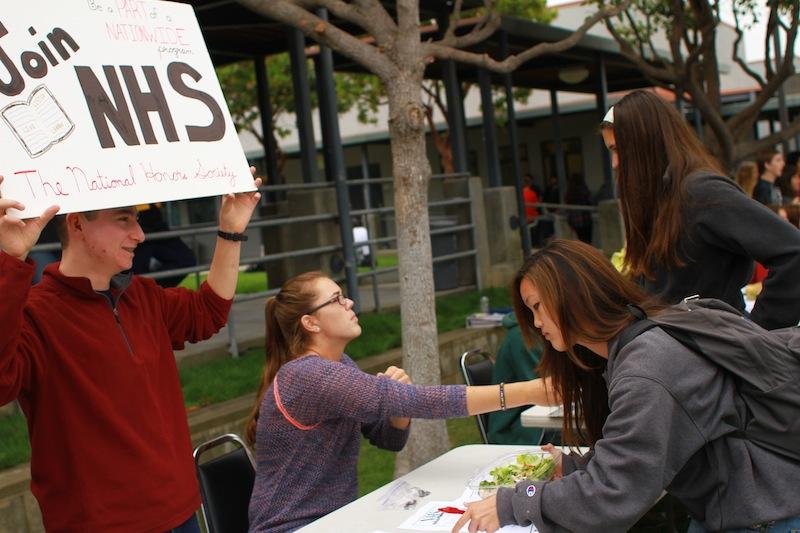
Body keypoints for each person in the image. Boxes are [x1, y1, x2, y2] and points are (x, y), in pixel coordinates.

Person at [453, 239, 800, 533]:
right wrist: (577, 468)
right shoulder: (645, 337)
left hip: (767, 518)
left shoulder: (646, 368)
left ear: (573, 294)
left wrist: (515, 502)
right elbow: (632, 457)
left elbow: (615, 494)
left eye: (538, 307)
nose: (537, 323)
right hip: (758, 505)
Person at [0, 173, 262, 532]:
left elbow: (209, 311)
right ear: (77, 224)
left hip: (180, 509)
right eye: (124, 219)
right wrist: (11, 260)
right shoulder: (35, 314)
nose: (140, 234)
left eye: (136, 219)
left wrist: (231, 228)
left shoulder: (143, 295)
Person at [245, 272, 556, 533]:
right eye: (336, 299)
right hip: (294, 527)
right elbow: (424, 401)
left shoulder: (340, 366)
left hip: (337, 520)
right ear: (310, 323)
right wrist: (527, 392)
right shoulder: (306, 375)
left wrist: (398, 406)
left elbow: (389, 439)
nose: (349, 302)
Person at [599, 90, 800, 330]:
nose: (615, 163)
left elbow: (793, 252)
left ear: (644, 143)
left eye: (616, 149)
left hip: (717, 354)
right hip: (678, 355)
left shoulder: (701, 192)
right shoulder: (664, 197)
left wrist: (760, 334)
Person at [487, 313, 549, 445]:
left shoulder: (538, 331)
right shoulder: (522, 337)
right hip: (515, 431)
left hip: (536, 419)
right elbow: (548, 391)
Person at [133, 202, 197, 288]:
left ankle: (151, 292)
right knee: (137, 270)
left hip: (153, 212)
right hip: (133, 212)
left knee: (186, 260)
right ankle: (146, 292)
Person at [564, 173, 593, 244]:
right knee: (587, 240)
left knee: (580, 240)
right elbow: (590, 201)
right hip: (585, 218)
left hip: (574, 220)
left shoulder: (569, 192)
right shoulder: (584, 190)